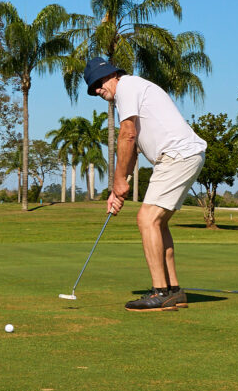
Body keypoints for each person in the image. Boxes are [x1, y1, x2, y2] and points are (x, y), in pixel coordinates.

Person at [83, 56, 207, 312]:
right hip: (183, 156)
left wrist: (118, 182)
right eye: (93, 90)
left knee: (146, 219)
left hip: (177, 155)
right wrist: (116, 188)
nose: (97, 91)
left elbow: (126, 135)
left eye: (98, 83)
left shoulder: (126, 87)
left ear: (111, 75)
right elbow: (134, 151)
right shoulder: (132, 92)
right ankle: (173, 290)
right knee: (158, 222)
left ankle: (160, 292)